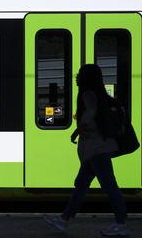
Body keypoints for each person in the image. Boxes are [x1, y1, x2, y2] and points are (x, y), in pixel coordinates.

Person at [45, 64, 129, 236]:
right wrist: (79, 130)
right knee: (81, 185)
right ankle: (63, 220)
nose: (76, 77)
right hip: (97, 148)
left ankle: (121, 225)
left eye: (80, 74)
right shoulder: (100, 94)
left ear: (86, 78)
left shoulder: (88, 94)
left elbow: (91, 112)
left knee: (109, 186)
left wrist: (81, 126)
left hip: (97, 149)